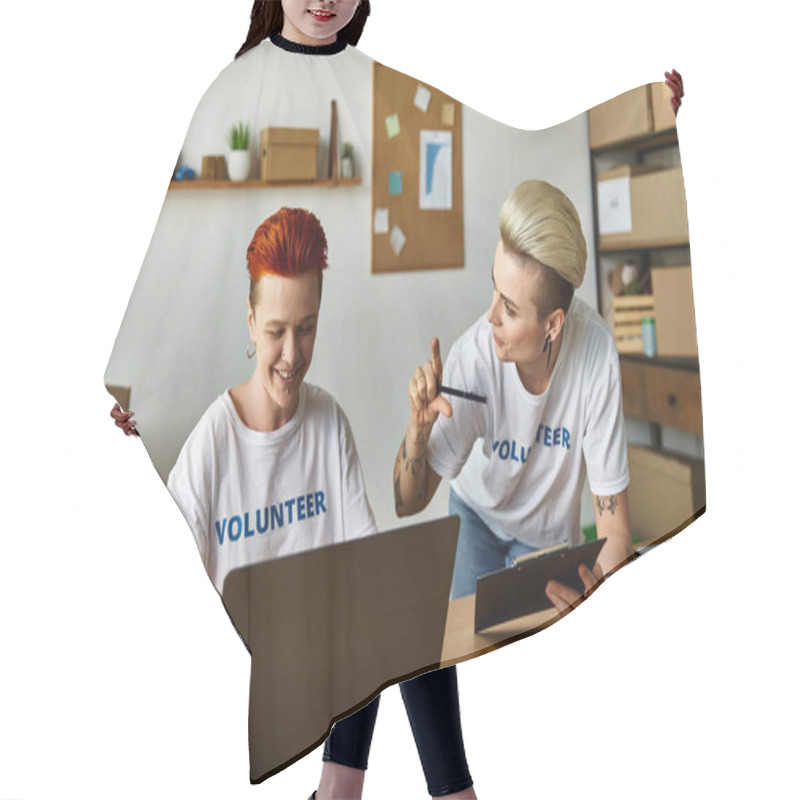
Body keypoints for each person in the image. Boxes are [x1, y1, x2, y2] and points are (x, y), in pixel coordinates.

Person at [393, 179, 633, 613]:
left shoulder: (595, 357)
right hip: (477, 518)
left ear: (553, 325)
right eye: (494, 290)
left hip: (547, 538)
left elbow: (615, 534)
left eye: (510, 307)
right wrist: (417, 430)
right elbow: (405, 504)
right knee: (474, 651)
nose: (490, 317)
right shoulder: (474, 357)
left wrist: (600, 601)